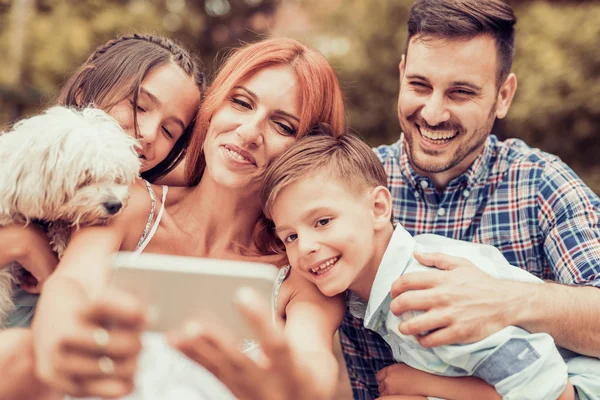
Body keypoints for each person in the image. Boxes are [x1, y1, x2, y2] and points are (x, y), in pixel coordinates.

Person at [32, 37, 347, 400]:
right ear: (213, 108)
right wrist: (57, 337)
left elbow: (315, 362)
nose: (248, 132)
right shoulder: (129, 203)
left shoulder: (302, 270)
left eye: (283, 126)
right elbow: (71, 283)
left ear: (307, 151)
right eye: (241, 103)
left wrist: (294, 387)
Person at [335, 1, 600, 398]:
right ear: (401, 73)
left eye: (461, 92)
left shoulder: (541, 183)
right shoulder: (348, 188)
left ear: (504, 95)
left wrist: (507, 300)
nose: (433, 112)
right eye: (420, 85)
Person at [260, 132, 600, 400]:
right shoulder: (398, 278)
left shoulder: (423, 295)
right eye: (289, 236)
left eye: (322, 221)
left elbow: (549, 391)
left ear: (378, 208)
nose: (305, 247)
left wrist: (421, 385)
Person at [0, 33, 204, 400]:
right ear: (88, 85)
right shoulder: (25, 159)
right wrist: (20, 241)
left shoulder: (137, 197)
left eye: (170, 131)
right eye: (141, 107)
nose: (147, 135)